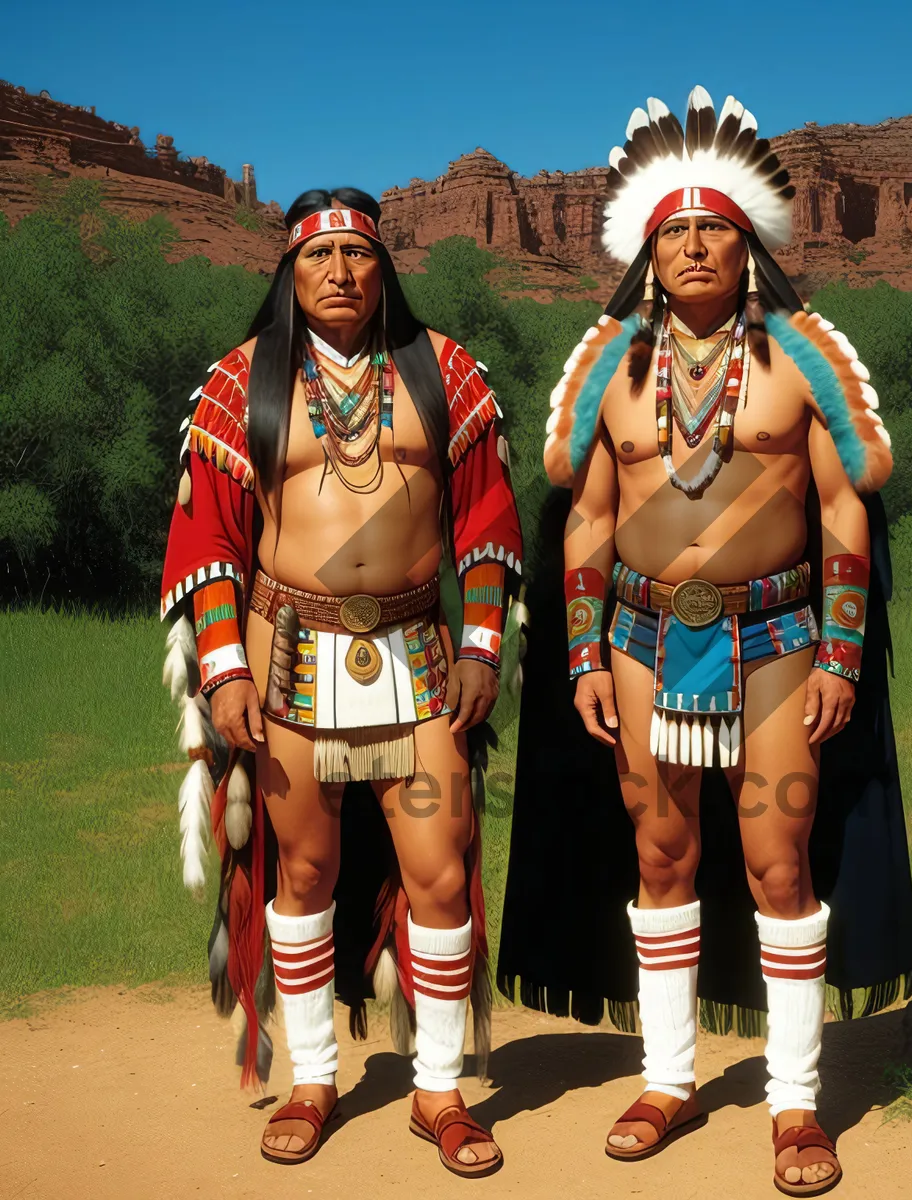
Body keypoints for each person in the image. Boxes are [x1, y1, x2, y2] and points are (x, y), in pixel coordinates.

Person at [498, 88, 912, 1195]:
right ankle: (669, 1076)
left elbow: (840, 510)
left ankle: (793, 1105)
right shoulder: (612, 372)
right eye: (675, 231)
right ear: (647, 250)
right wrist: (582, 655)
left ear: (749, 246)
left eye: (715, 230)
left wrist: (838, 655)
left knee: (780, 858)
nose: (694, 247)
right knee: (659, 853)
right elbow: (585, 520)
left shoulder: (801, 359)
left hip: (778, 635)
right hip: (640, 639)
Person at [160, 188, 521, 1175]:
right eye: (322, 258)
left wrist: (485, 644)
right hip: (290, 654)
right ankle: (314, 1077)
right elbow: (210, 539)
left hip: (417, 656)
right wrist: (225, 669)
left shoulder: (445, 372)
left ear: (383, 265)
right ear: (291, 268)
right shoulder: (242, 382)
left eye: (360, 255)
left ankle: (439, 1088)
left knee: (440, 869)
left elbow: (486, 520)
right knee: (305, 871)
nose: (342, 274)